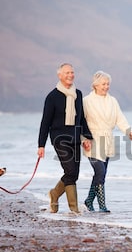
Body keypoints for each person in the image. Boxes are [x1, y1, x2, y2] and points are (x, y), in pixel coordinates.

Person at [37, 63, 93, 214]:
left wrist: (87, 137)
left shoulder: (78, 94)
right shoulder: (52, 97)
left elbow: (81, 119)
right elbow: (45, 122)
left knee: (73, 174)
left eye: (72, 72)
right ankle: (74, 209)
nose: (70, 75)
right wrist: (41, 145)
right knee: (69, 170)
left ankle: (54, 194)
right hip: (59, 138)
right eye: (67, 72)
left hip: (75, 137)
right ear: (59, 75)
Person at [82, 70, 132, 212]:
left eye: (108, 84)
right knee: (99, 171)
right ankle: (102, 206)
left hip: (107, 140)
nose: (106, 86)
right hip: (92, 140)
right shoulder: (87, 101)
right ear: (95, 85)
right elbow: (81, 122)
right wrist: (83, 139)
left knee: (101, 173)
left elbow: (120, 118)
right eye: (103, 84)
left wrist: (129, 131)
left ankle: (88, 201)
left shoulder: (112, 101)